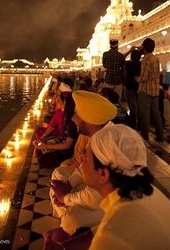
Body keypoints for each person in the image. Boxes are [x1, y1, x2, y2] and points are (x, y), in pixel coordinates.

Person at [82, 123, 170, 250]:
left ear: (103, 174)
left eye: (85, 159)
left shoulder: (112, 234)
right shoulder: (149, 191)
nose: (81, 160)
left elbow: (120, 234)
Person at [43, 90, 118, 249]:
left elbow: (95, 197)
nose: (73, 118)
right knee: (59, 179)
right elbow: (83, 166)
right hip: (94, 187)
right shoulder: (98, 136)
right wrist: (68, 185)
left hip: (107, 200)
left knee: (72, 219)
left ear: (91, 120)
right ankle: (68, 220)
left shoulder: (106, 143)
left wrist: (65, 197)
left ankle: (68, 221)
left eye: (77, 114)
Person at [138, 38, 164, 141]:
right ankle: (160, 135)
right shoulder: (155, 58)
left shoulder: (146, 60)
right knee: (156, 113)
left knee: (145, 114)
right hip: (155, 90)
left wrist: (137, 79)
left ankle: (145, 136)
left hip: (145, 91)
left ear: (144, 47)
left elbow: (144, 78)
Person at [125, 49, 141, 129]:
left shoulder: (128, 64)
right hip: (139, 87)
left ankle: (133, 123)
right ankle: (140, 123)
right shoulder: (141, 64)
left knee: (132, 106)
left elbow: (122, 59)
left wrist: (130, 51)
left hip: (129, 87)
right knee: (139, 106)